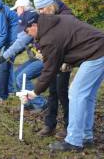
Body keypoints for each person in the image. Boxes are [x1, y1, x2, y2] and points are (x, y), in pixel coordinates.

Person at [23, 12, 104, 152]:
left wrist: (35, 92)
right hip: (99, 48)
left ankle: (74, 141)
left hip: (96, 53)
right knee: (87, 96)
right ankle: (86, 136)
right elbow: (72, 42)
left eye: (27, 30)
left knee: (76, 93)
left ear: (34, 25)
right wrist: (68, 61)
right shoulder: (55, 21)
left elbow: (49, 71)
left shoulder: (49, 38)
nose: (27, 34)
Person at [32, 0, 73, 138]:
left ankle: (70, 126)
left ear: (50, 5)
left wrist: (67, 61)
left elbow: (70, 40)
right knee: (52, 92)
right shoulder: (45, 13)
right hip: (51, 57)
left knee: (62, 92)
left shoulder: (66, 16)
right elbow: (39, 32)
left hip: (64, 59)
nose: (41, 13)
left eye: (42, 9)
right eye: (39, 10)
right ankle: (50, 125)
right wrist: (39, 49)